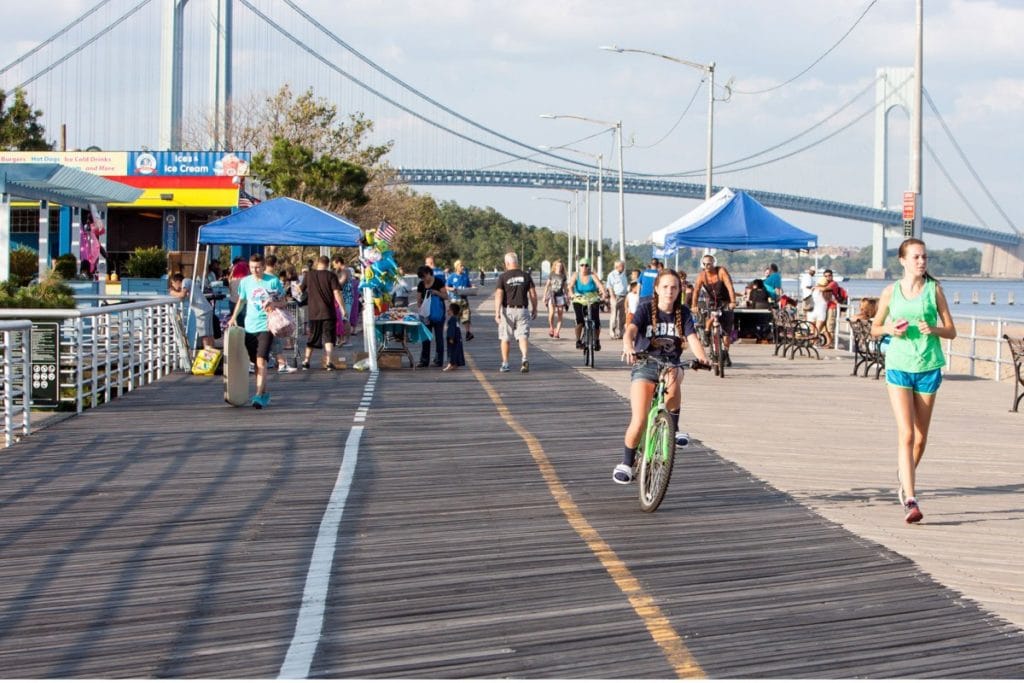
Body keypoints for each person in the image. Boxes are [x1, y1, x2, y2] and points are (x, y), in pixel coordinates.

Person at [870, 238, 957, 524]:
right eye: (916, 257)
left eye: (925, 257)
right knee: (906, 434)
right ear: (902, 261)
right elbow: (874, 329)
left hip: (928, 366)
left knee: (920, 437)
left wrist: (933, 328)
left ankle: (903, 476)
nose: (921, 262)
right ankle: (910, 498)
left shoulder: (935, 291)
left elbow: (951, 331)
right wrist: (889, 328)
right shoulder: (890, 292)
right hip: (898, 366)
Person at [614, 269, 711, 484]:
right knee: (639, 420)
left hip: (670, 364)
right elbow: (630, 329)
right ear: (657, 288)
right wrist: (628, 345)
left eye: (674, 287)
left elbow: (692, 338)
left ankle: (673, 429)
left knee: (674, 374)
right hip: (645, 364)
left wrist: (703, 358)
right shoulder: (645, 308)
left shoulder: (683, 312)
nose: (670, 291)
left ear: (679, 290)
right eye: (665, 287)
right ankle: (626, 463)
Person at [228, 253, 286, 408]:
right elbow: (241, 300)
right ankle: (264, 393)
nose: (255, 270)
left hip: (266, 326)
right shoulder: (245, 282)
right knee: (256, 363)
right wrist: (233, 317)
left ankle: (258, 395)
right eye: (252, 267)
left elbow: (284, 301)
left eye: (258, 267)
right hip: (250, 326)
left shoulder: (273, 281)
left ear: (263, 266)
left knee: (261, 361)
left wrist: (275, 305)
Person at [493, 251, 537, 373]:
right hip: (523, 309)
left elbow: (499, 294)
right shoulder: (526, 276)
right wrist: (535, 308)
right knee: (522, 336)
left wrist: (497, 312)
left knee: (505, 338)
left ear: (507, 263)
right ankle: (524, 358)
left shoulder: (503, 277)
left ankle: (506, 363)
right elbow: (533, 294)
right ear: (516, 262)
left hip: (508, 310)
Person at [301, 256, 346, 370]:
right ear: (328, 264)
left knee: (312, 336)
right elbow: (337, 293)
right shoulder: (331, 276)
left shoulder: (309, 275)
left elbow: (300, 289)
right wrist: (342, 308)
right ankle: (329, 362)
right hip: (328, 312)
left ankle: (306, 361)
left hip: (313, 312)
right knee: (329, 337)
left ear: (317, 263)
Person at [691, 254, 737, 364]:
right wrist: (694, 305)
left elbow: (730, 286)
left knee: (726, 331)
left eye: (709, 264)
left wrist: (733, 301)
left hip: (725, 301)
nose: (707, 266)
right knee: (710, 316)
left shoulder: (721, 271)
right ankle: (707, 332)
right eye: (705, 264)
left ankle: (725, 353)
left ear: (714, 263)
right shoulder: (702, 275)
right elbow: (696, 291)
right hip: (713, 302)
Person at [263, 255, 298, 374]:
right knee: (276, 338)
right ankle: (281, 363)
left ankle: (264, 362)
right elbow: (282, 298)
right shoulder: (274, 280)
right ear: (275, 264)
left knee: (262, 340)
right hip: (273, 314)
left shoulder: (259, 278)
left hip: (259, 314)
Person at [567, 258, 608, 352]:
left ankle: (597, 340)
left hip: (592, 299)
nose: (584, 267)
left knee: (596, 321)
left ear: (589, 266)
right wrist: (572, 294)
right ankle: (578, 340)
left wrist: (604, 293)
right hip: (579, 299)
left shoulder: (592, 275)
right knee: (580, 320)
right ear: (579, 266)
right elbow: (570, 286)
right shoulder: (576, 275)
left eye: (586, 265)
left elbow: (600, 285)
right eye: (582, 265)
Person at [168, 273, 214, 350]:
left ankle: (207, 354)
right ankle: (212, 354)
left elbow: (182, 295)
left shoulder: (185, 281)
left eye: (173, 283)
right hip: (206, 310)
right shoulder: (189, 282)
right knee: (209, 335)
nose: (173, 286)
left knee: (205, 336)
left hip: (202, 312)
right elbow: (184, 296)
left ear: (177, 281)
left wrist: (172, 293)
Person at [416, 264, 448, 368]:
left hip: (438, 314)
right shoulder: (421, 285)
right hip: (426, 315)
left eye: (424, 276)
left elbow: (445, 296)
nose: (423, 279)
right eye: (421, 278)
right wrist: (420, 311)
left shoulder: (438, 282)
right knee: (426, 337)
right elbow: (419, 300)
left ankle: (438, 360)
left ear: (429, 273)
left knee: (439, 338)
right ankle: (424, 360)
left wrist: (436, 292)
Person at [446, 259, 474, 341]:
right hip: (455, 300)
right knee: (455, 318)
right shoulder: (452, 276)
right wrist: (452, 289)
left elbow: (469, 285)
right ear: (456, 267)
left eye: (463, 266)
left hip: (464, 299)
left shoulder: (465, 276)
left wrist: (473, 288)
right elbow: (447, 286)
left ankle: (468, 333)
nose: (463, 267)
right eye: (461, 266)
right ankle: (454, 334)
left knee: (466, 316)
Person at [542, 259, 568, 339]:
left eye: (560, 266)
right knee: (552, 313)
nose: (559, 267)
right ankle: (551, 328)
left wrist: (567, 297)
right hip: (552, 295)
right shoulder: (552, 274)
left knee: (560, 314)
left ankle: (557, 332)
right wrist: (544, 296)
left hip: (560, 296)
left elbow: (565, 287)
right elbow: (547, 286)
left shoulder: (563, 276)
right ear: (555, 266)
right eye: (557, 266)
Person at [606, 260, 629, 340]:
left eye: (623, 266)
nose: (623, 267)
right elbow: (609, 286)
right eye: (622, 266)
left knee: (622, 316)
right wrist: (612, 296)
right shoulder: (611, 275)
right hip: (615, 296)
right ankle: (612, 332)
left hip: (624, 296)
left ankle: (620, 333)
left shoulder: (623, 275)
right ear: (617, 267)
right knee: (614, 315)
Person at [807, 276, 830, 346]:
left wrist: (816, 287)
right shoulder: (827, 291)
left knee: (812, 329)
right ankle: (815, 343)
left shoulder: (814, 289)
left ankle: (811, 343)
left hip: (812, 311)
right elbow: (830, 299)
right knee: (817, 329)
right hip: (821, 311)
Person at [443, 302, 466, 371]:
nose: (447, 311)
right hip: (458, 339)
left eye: (449, 310)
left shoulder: (452, 320)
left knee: (451, 352)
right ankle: (455, 364)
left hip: (453, 339)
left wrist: (451, 337)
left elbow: (451, 329)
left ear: (452, 311)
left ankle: (450, 364)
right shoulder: (456, 319)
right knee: (457, 352)